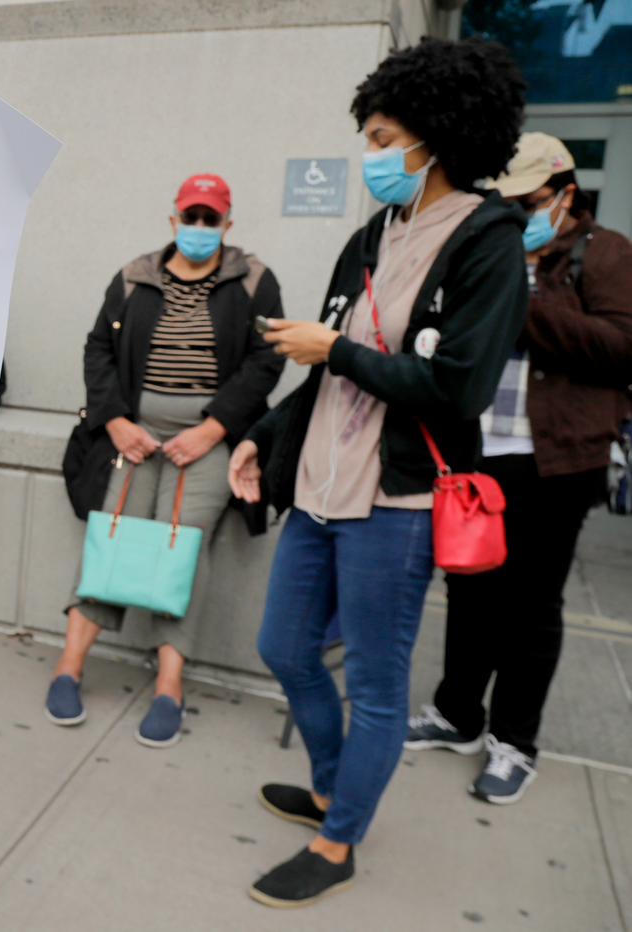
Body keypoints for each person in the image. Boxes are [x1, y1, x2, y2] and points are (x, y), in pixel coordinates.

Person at [227, 37, 529, 906]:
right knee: (283, 647)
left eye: (384, 135)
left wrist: (341, 351)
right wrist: (263, 431)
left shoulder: (485, 242)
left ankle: (337, 840)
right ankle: (332, 784)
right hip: (319, 487)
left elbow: (458, 387)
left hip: (395, 502)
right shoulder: (372, 232)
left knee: (376, 682)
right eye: (368, 135)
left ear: (437, 135)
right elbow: (325, 366)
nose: (372, 154)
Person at [405, 133, 632, 804]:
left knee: (532, 605)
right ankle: (457, 714)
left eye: (528, 202)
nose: (513, 215)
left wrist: (521, 303)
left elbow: (622, 349)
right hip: (479, 455)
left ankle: (514, 742)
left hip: (559, 460)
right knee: (471, 592)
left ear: (565, 196)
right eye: (502, 203)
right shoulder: (484, 249)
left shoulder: (606, 253)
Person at [47, 174, 285, 745]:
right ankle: (69, 666)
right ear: (173, 220)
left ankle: (169, 684)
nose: (200, 228)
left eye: (211, 219)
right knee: (116, 535)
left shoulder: (253, 280)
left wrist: (214, 429)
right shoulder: (136, 276)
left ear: (227, 225)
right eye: (191, 217)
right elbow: (98, 347)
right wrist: (117, 421)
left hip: (205, 440)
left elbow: (265, 359)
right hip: (133, 437)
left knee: (183, 547)